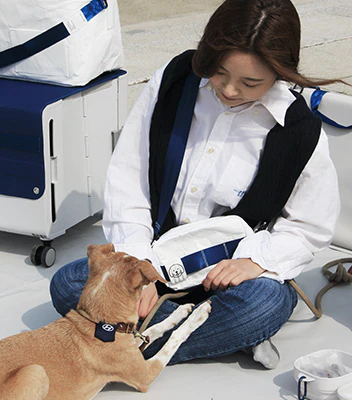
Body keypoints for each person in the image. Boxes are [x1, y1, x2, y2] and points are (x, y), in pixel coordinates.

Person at [50, 0, 343, 369]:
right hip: (156, 257)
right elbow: (130, 177)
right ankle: (186, 339)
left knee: (263, 304)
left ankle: (121, 343)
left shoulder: (300, 129)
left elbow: (308, 226)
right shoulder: (174, 81)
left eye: (251, 83)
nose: (230, 90)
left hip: (230, 278)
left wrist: (257, 261)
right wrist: (138, 267)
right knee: (67, 282)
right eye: (220, 73)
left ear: (281, 74)